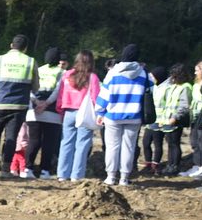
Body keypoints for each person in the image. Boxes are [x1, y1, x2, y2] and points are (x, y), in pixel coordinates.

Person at [0, 35, 40, 176]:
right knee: (11, 136)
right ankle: (6, 169)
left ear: (11, 45)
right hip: (19, 106)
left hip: (0, 103)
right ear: (25, 48)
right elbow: (36, 86)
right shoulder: (30, 61)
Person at [40, 50, 101, 182]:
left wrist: (60, 110)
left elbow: (61, 94)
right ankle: (76, 176)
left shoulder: (67, 75)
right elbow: (96, 99)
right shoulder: (92, 77)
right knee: (82, 145)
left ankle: (62, 174)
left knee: (66, 143)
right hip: (85, 114)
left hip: (68, 112)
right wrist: (99, 114)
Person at [95, 44, 150, 186]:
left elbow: (104, 94)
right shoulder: (144, 74)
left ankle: (111, 176)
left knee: (112, 146)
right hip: (135, 116)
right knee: (129, 147)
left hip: (113, 116)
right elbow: (152, 94)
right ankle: (124, 178)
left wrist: (100, 111)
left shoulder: (113, 72)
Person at [24, 46, 64, 179]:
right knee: (49, 142)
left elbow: (29, 88)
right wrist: (46, 104)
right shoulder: (62, 72)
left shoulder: (38, 69)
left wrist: (36, 102)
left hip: (34, 111)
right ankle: (44, 171)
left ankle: (27, 169)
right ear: (58, 60)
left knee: (33, 141)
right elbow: (58, 91)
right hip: (52, 112)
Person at [156, 63, 192, 175]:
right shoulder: (173, 87)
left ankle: (174, 166)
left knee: (175, 143)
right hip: (168, 119)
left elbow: (184, 105)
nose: (172, 77)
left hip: (176, 120)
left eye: (174, 75)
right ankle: (170, 165)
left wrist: (175, 117)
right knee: (170, 143)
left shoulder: (185, 87)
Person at [142, 65, 169, 176]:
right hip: (151, 119)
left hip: (160, 120)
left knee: (157, 144)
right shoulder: (154, 87)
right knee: (146, 142)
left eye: (153, 76)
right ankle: (148, 163)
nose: (152, 78)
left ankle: (155, 165)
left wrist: (164, 119)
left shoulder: (166, 88)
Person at [183, 60, 202, 179]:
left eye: (197, 70)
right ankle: (197, 165)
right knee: (195, 142)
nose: (195, 73)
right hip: (196, 117)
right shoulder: (195, 85)